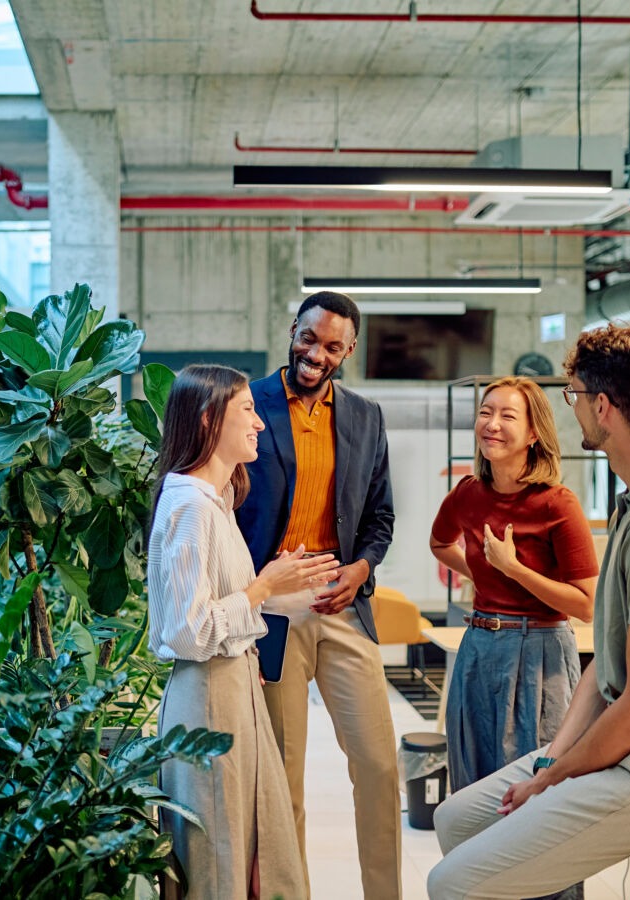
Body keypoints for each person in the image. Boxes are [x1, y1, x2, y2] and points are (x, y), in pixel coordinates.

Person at [425, 325, 630, 899]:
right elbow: (610, 664)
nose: (571, 408)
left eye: (573, 396)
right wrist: (553, 756)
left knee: (451, 883)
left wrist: (555, 776)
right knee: (456, 820)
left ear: (602, 407)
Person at [149, 363, 339, 900]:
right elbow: (188, 631)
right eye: (248, 410)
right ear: (210, 419)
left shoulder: (215, 500)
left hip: (232, 688)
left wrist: (279, 585)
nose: (259, 424)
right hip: (208, 696)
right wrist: (261, 590)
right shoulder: (190, 506)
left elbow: (216, 608)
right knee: (219, 856)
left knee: (246, 845)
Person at [235, 292, 402, 900]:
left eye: (332, 346)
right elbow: (224, 509)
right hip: (273, 612)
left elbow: (381, 518)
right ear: (293, 331)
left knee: (380, 767)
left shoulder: (364, 416)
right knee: (285, 780)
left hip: (341, 604)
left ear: (348, 351)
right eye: (309, 338)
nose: (316, 354)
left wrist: (361, 568)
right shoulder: (247, 403)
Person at [429, 376, 598, 900]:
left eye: (507, 416)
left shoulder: (557, 504)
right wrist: (482, 573)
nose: (491, 424)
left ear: (533, 434)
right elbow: (439, 543)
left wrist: (513, 569)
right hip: (478, 648)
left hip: (540, 653)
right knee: (475, 789)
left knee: (537, 800)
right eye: (486, 412)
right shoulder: (467, 495)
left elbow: (587, 603)